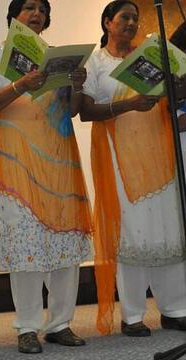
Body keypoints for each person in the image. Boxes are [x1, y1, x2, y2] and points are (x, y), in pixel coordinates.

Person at [0, 0, 92, 354]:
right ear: (13, 15)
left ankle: (60, 324)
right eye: (28, 7)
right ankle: (27, 327)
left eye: (41, 8)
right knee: (24, 244)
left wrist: (78, 87)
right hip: (16, 163)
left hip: (58, 159)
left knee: (65, 243)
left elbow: (69, 111)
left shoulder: (57, 55)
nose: (36, 13)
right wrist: (21, 84)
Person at [81, 0, 186, 338]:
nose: (131, 23)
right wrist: (129, 103)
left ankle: (175, 309)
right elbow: (86, 112)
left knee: (168, 230)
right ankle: (133, 315)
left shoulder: (150, 55)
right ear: (107, 22)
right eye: (124, 17)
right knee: (131, 236)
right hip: (118, 158)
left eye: (134, 19)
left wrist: (177, 81)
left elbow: (174, 97)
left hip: (159, 152)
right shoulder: (95, 62)